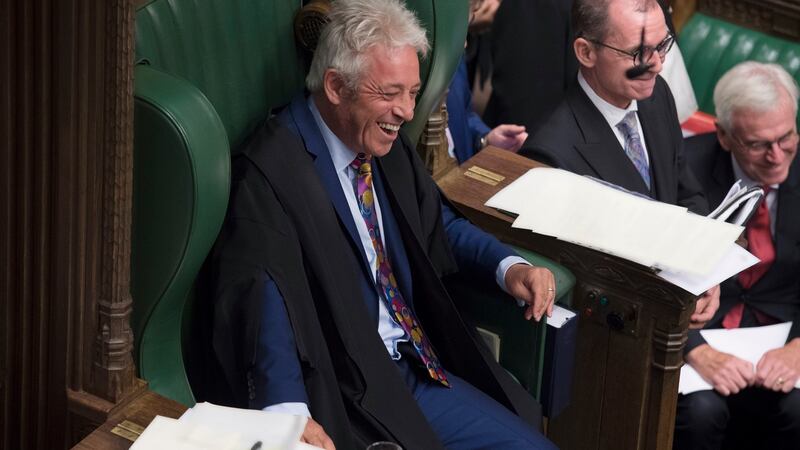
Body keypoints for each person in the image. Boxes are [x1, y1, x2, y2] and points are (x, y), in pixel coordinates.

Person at [209, 1, 558, 449]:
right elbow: (264, 298)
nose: (407, 111)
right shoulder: (271, 169)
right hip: (347, 393)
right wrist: (287, 414)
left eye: (413, 92)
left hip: (414, 364)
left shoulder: (381, 143)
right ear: (336, 86)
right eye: (390, 93)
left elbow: (436, 221)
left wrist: (510, 267)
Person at [521, 0, 718, 326]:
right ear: (586, 52)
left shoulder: (657, 98)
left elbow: (685, 192)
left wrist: (704, 270)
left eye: (662, 46)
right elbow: (580, 282)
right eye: (638, 53)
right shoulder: (551, 156)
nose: (655, 64)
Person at [676, 62, 800, 450]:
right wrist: (694, 349)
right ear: (725, 136)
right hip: (701, 334)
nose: (777, 156)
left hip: (786, 335)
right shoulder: (684, 169)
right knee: (700, 415)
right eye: (759, 144)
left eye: (787, 137)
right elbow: (651, 273)